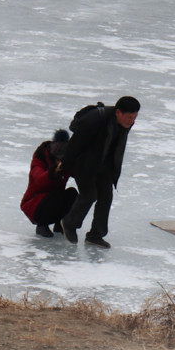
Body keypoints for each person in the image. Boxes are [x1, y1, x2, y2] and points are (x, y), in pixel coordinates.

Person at [59, 96, 140, 248]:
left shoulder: (125, 123)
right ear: (118, 113)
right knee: (89, 195)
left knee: (106, 197)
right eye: (129, 117)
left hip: (104, 165)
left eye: (135, 117)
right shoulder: (94, 119)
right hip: (84, 163)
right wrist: (64, 166)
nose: (132, 121)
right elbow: (75, 144)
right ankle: (69, 223)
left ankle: (95, 235)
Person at [20, 129, 78, 238]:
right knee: (56, 195)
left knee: (72, 193)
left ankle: (59, 224)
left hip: (54, 199)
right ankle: (42, 225)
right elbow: (38, 180)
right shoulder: (40, 158)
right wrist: (53, 172)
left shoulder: (68, 160)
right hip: (33, 203)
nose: (59, 161)